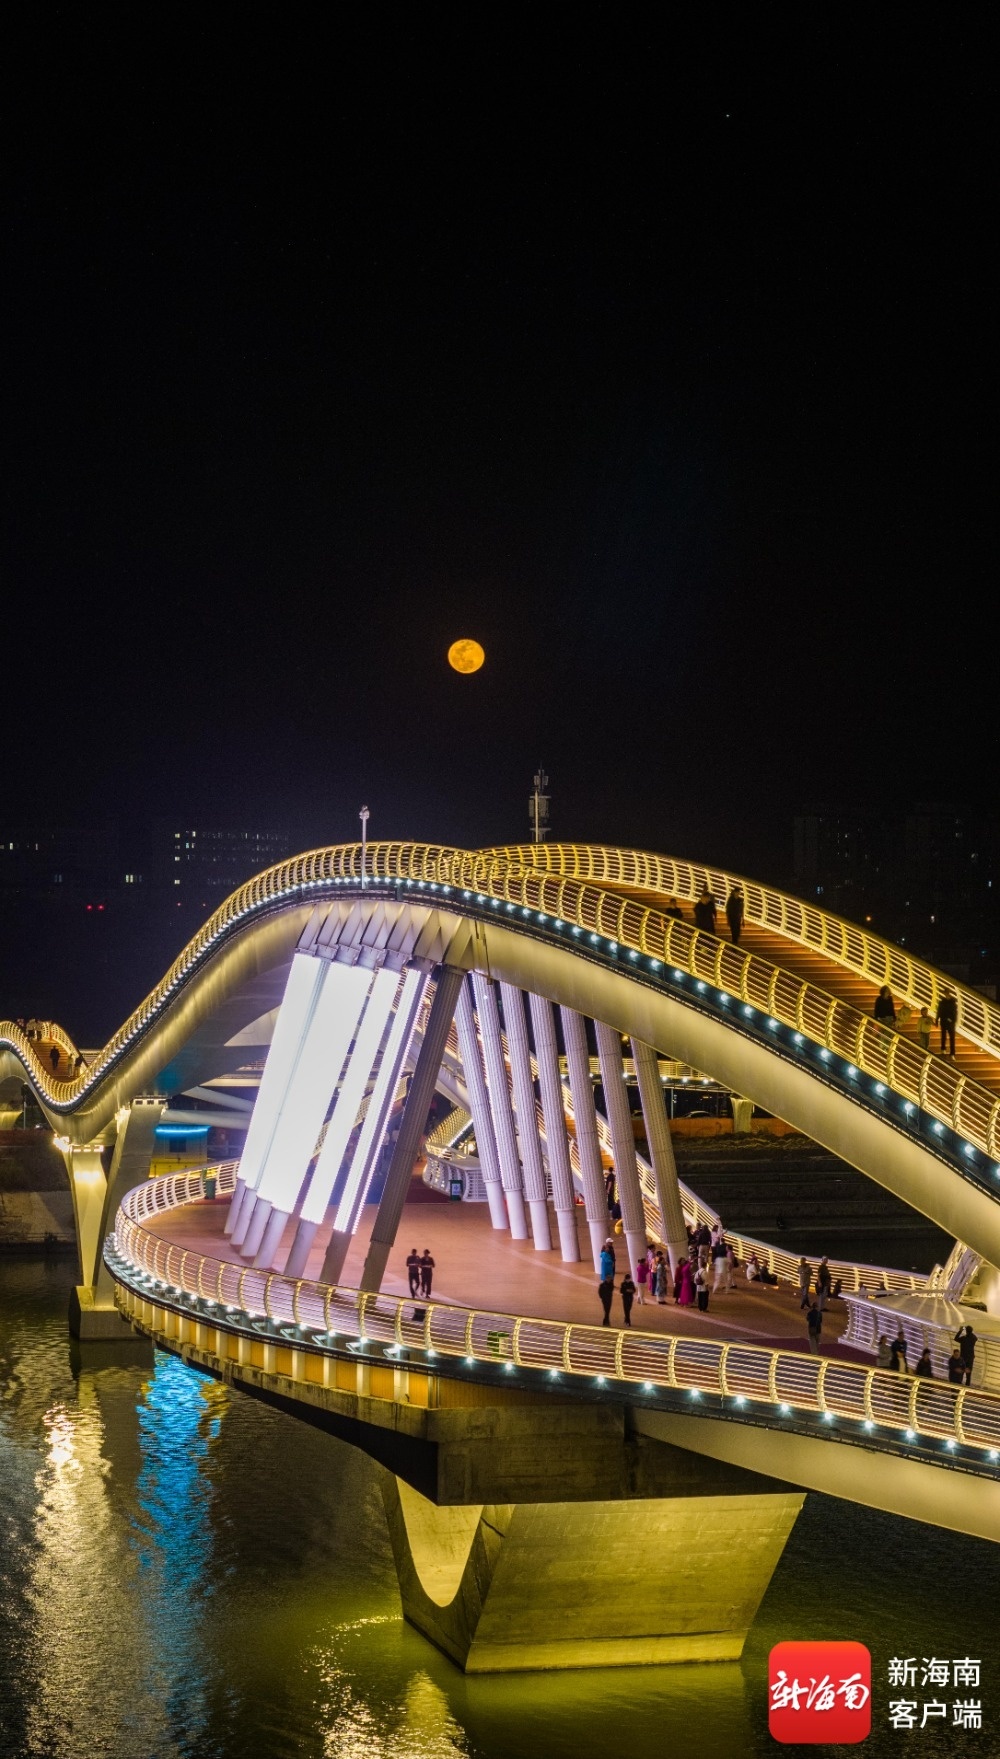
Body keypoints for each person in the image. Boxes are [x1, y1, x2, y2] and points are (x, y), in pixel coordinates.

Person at [936, 989, 958, 1056]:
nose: (945, 994)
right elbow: (939, 1011)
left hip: (949, 1021)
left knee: (951, 1037)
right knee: (944, 1036)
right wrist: (937, 1019)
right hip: (945, 1020)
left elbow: (954, 1012)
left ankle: (951, 1053)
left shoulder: (950, 1002)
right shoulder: (944, 1002)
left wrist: (953, 1020)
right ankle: (944, 1049)